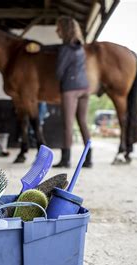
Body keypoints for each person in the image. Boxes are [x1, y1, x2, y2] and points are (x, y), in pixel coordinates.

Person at [51, 16, 92, 168]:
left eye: (59, 28)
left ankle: (66, 160)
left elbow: (59, 72)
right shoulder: (79, 46)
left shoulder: (65, 49)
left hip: (70, 88)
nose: (57, 31)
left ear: (65, 30)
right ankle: (88, 159)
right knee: (83, 122)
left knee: (67, 125)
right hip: (85, 88)